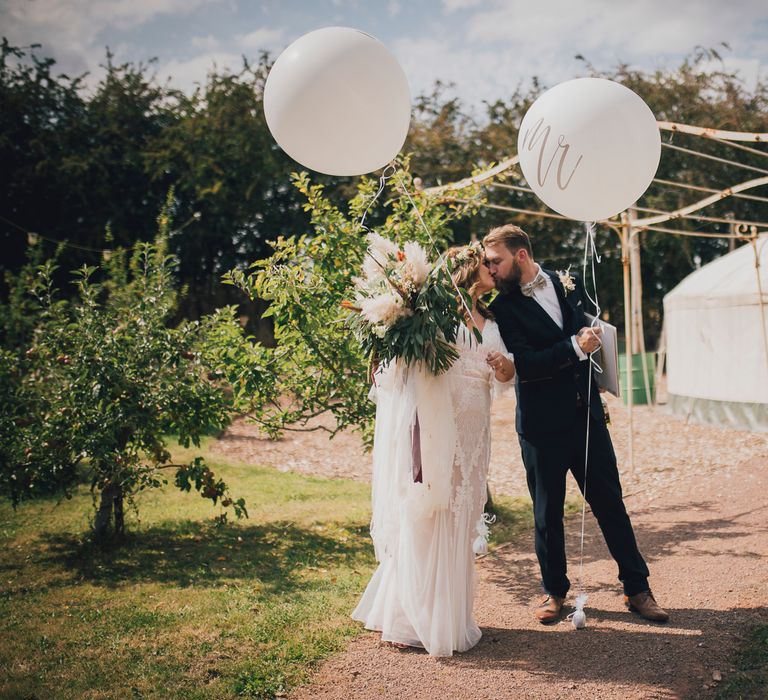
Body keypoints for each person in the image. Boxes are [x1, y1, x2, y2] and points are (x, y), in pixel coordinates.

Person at [483, 223, 669, 624]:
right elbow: (525, 365)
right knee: (546, 515)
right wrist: (573, 347)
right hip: (540, 427)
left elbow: (589, 327)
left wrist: (597, 356)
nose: (490, 269)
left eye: (495, 261)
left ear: (521, 256)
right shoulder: (503, 309)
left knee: (611, 506)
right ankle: (554, 592)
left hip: (587, 417)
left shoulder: (566, 280)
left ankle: (637, 589)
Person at [352, 243, 515, 656]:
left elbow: (508, 374)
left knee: (461, 513)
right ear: (465, 271)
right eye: (486, 264)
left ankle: (452, 613)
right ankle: (411, 617)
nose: (493, 269)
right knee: (429, 511)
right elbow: (408, 369)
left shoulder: (493, 318)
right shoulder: (436, 317)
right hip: (439, 427)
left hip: (476, 432)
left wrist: (502, 367)